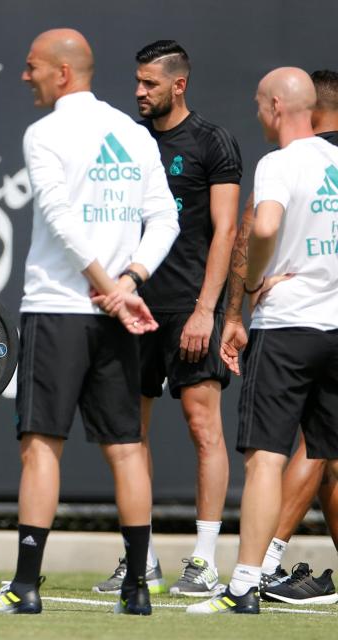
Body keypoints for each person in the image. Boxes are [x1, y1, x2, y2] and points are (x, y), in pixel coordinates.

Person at [0, 28, 179, 615]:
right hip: (111, 313)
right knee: (127, 448)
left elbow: (60, 217)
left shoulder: (46, 132)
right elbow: (163, 223)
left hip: (59, 309)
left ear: (62, 73)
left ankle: (26, 588)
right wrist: (128, 283)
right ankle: (137, 591)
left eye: (31, 66)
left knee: (41, 447)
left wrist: (116, 285)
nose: (24, 76)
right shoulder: (133, 134)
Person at [188, 67, 338, 614]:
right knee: (330, 454)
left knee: (266, 460)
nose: (256, 113)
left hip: (288, 326)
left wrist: (254, 281)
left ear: (277, 106)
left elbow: (266, 225)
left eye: (258, 104)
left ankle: (245, 585)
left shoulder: (280, 163)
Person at [94, 40, 241, 598]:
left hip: (189, 309)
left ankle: (203, 562)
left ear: (179, 85)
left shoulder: (211, 142)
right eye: (137, 81)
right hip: (133, 308)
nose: (139, 91)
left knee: (205, 430)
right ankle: (142, 559)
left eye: (150, 83)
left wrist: (208, 310)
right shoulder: (128, 142)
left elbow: (226, 232)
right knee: (130, 434)